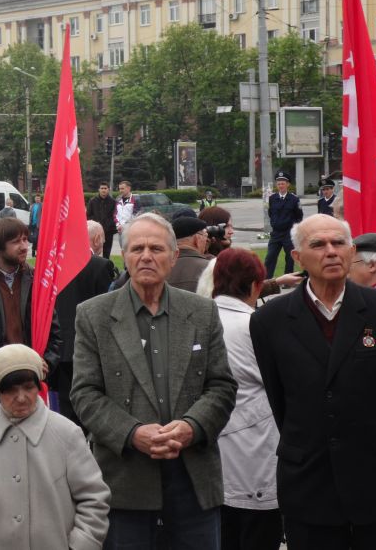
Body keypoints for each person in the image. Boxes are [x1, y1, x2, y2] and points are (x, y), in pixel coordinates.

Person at [71, 212, 237, 549]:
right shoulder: (93, 315)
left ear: (174, 256)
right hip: (125, 481)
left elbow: (222, 386)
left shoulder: (202, 312)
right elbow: (85, 393)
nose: (146, 256)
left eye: (157, 249)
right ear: (124, 255)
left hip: (192, 478)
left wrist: (192, 426)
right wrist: (133, 433)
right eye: (138, 248)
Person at [250, 214, 376, 550]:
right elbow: (280, 399)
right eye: (318, 244)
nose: (330, 252)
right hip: (309, 481)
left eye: (338, 243)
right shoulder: (270, 320)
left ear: (352, 250)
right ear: (297, 257)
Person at [0, 344, 111, 550]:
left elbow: (94, 498)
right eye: (11, 390)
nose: (21, 397)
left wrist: (80, 545)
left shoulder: (67, 433)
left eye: (28, 387)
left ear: (38, 386)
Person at [212, 249, 282, 550]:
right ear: (255, 285)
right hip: (255, 449)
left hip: (210, 446)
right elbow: (281, 384)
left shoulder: (199, 317)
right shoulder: (254, 325)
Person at [0, 217, 61, 414]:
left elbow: (54, 330)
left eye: (26, 240)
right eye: (16, 241)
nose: (24, 246)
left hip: (32, 376)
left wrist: (47, 362)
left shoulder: (38, 280)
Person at [53, 220, 117, 426]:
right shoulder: (101, 265)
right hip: (90, 346)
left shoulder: (55, 266)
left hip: (60, 347)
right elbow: (108, 308)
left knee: (67, 409)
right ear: (98, 239)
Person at [264, 170, 303, 278]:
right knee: (270, 256)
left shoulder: (294, 199)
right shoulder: (272, 198)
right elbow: (271, 213)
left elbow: (299, 216)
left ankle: (288, 279)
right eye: (279, 183)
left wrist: (293, 229)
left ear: (288, 184)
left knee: (289, 258)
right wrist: (274, 223)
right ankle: (266, 280)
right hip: (276, 233)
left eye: (283, 183)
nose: (281, 185)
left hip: (288, 233)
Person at [168, 216, 210, 292]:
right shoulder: (209, 268)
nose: (207, 241)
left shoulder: (162, 267)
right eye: (205, 236)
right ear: (197, 239)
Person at [86, 181, 118, 258]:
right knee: (94, 251)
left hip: (108, 230)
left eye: (105, 188)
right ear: (99, 190)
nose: (103, 190)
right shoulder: (93, 201)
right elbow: (88, 215)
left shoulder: (113, 202)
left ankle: (105, 267)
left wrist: (109, 224)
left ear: (108, 189)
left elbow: (115, 216)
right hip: (95, 231)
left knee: (107, 251)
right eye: (102, 188)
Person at [115, 180, 138, 252]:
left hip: (131, 230)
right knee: (123, 251)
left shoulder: (135, 199)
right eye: (119, 189)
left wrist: (125, 225)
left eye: (122, 188)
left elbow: (136, 215)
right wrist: (118, 225)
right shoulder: (118, 199)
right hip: (120, 230)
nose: (120, 190)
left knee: (131, 251)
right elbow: (115, 214)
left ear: (128, 188)